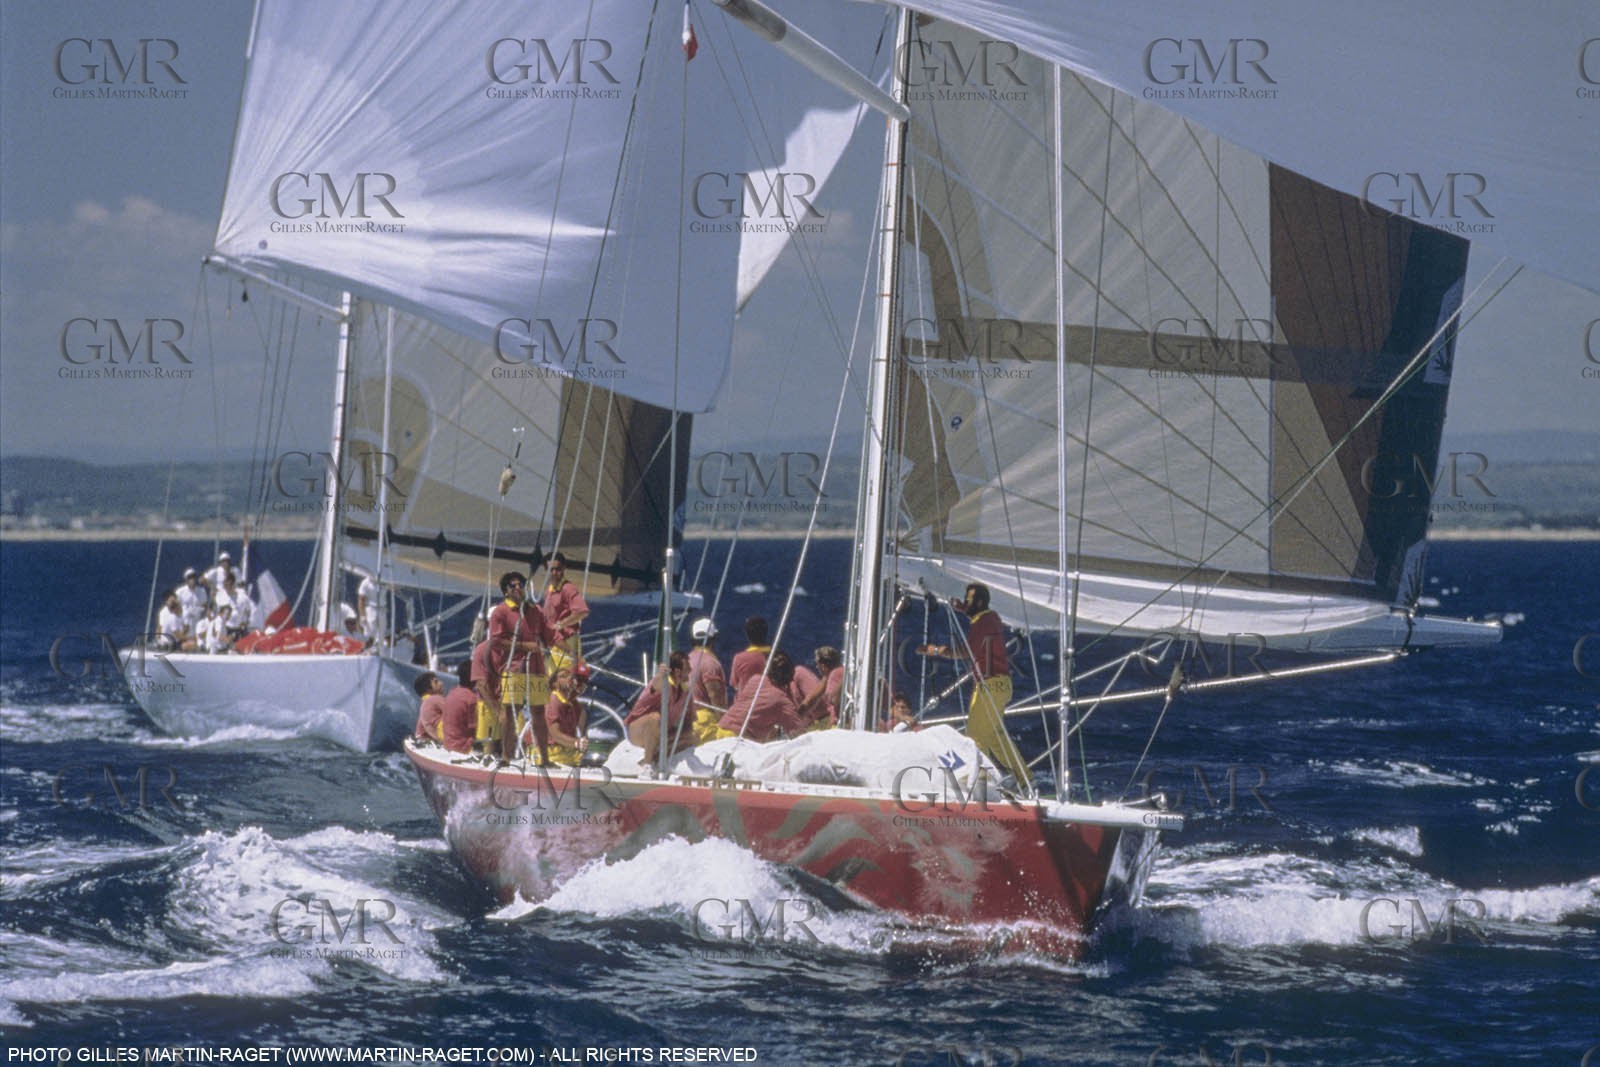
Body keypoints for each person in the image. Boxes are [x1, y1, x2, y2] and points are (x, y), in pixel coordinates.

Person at [919, 582, 1031, 787]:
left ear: (979, 602)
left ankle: (978, 783)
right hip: (999, 685)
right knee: (996, 737)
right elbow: (976, 619)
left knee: (975, 736)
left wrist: (934, 650)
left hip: (991, 685)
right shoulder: (991, 618)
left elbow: (964, 651)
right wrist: (963, 609)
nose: (965, 601)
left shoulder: (982, 623)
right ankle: (1025, 781)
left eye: (968, 599)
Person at [487, 572, 559, 763]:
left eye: (521, 584)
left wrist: (554, 670)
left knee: (538, 714)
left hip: (536, 670)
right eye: (513, 586)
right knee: (511, 713)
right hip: (514, 670)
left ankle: (544, 759)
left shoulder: (536, 611)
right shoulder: (500, 612)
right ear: (506, 591)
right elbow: (496, 641)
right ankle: (505, 757)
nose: (518, 588)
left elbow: (547, 639)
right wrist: (523, 646)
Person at [719, 650, 806, 744]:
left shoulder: (755, 679)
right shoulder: (782, 701)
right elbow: (798, 732)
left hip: (722, 730)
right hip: (738, 741)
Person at [624, 651, 693, 771]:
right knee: (655, 718)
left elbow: (689, 721)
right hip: (638, 730)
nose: (691, 670)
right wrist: (660, 675)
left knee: (693, 736)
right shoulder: (664, 684)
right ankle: (647, 764)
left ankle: (656, 758)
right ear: (677, 671)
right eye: (687, 668)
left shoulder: (685, 691)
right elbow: (656, 685)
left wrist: (685, 734)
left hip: (664, 732)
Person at [541, 554, 589, 672]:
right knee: (551, 682)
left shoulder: (568, 588)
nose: (554, 572)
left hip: (567, 642)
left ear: (563, 568)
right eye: (551, 569)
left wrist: (560, 625)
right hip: (552, 644)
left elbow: (582, 611)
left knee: (564, 682)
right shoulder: (549, 590)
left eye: (557, 569)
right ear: (546, 570)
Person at [686, 618, 728, 742]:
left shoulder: (686, 659)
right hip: (703, 724)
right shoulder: (710, 663)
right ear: (713, 639)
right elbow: (716, 698)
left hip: (686, 721)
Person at [541, 664, 590, 767]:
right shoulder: (553, 701)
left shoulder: (577, 707)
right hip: (550, 755)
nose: (571, 680)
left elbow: (582, 735)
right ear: (554, 684)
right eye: (563, 676)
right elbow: (555, 734)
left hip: (568, 754)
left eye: (584, 681)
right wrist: (577, 743)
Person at [441, 659, 478, 754]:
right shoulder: (471, 699)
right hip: (462, 747)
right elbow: (474, 730)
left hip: (448, 744)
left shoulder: (452, 693)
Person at [729, 616, 771, 691]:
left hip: (746, 702)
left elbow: (735, 686)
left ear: (747, 635)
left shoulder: (739, 658)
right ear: (766, 632)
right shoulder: (778, 656)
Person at [216, 572, 255, 639]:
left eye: (229, 584)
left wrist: (246, 622)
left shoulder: (242, 597)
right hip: (225, 630)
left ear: (233, 584)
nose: (227, 586)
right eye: (225, 584)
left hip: (239, 629)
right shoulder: (219, 596)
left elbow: (250, 610)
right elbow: (218, 614)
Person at [412, 671, 446, 743]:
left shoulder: (424, 703)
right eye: (436, 682)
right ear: (428, 689)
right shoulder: (435, 698)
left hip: (424, 738)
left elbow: (421, 727)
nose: (441, 683)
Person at [357, 572, 383, 644]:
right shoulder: (365, 583)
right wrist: (362, 615)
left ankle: (380, 649)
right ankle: (368, 647)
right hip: (371, 609)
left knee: (381, 633)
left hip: (382, 609)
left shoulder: (383, 581)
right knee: (370, 632)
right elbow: (361, 600)